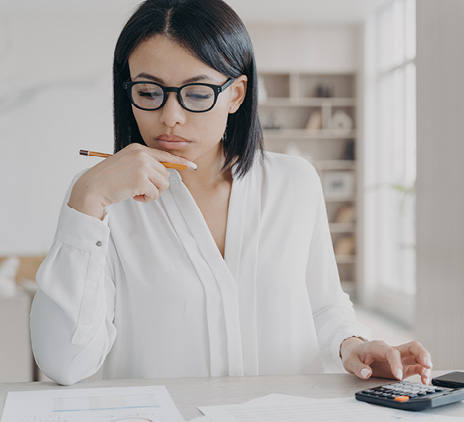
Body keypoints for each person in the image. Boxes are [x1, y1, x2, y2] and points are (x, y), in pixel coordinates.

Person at [30, 0, 432, 386]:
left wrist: (353, 346)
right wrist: (85, 200)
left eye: (198, 93)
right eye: (150, 92)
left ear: (236, 94)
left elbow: (324, 305)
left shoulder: (295, 183)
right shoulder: (103, 200)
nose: (170, 116)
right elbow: (65, 363)